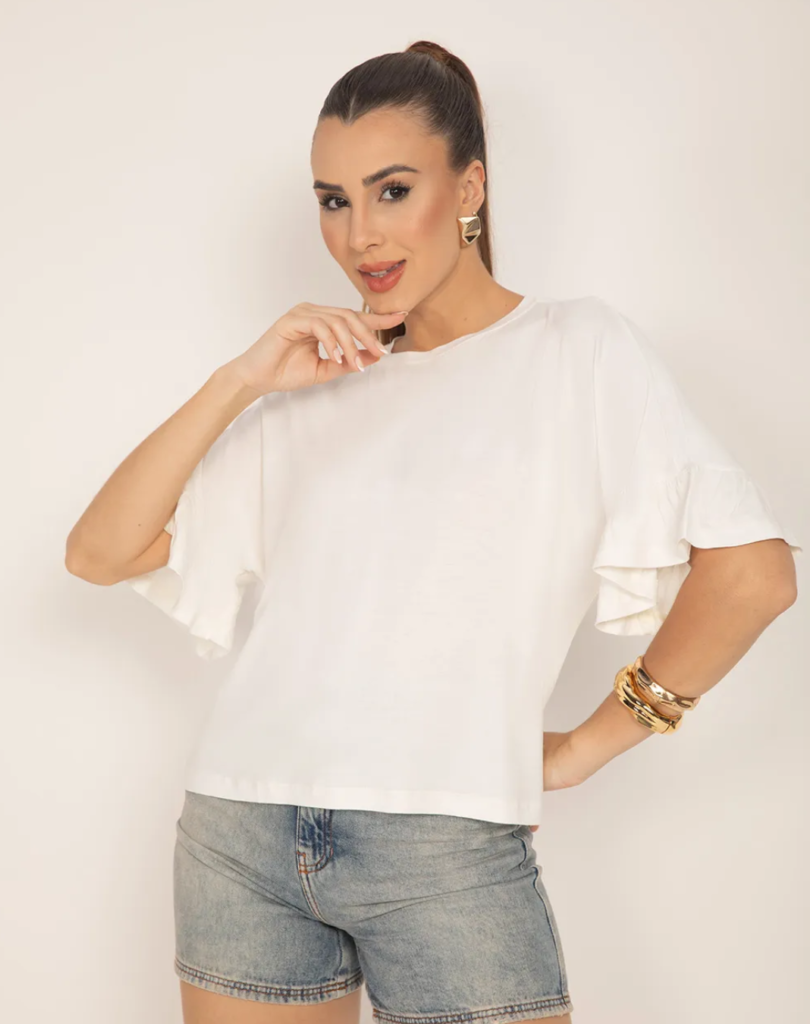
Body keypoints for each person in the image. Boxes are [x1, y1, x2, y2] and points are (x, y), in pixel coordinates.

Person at [65, 39, 802, 1024]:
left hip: (444, 847)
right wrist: (240, 380)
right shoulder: (316, 382)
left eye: (392, 190)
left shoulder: (576, 350)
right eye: (333, 200)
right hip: (241, 829)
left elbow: (753, 574)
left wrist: (590, 744)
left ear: (470, 188)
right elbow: (99, 552)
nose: (359, 234)